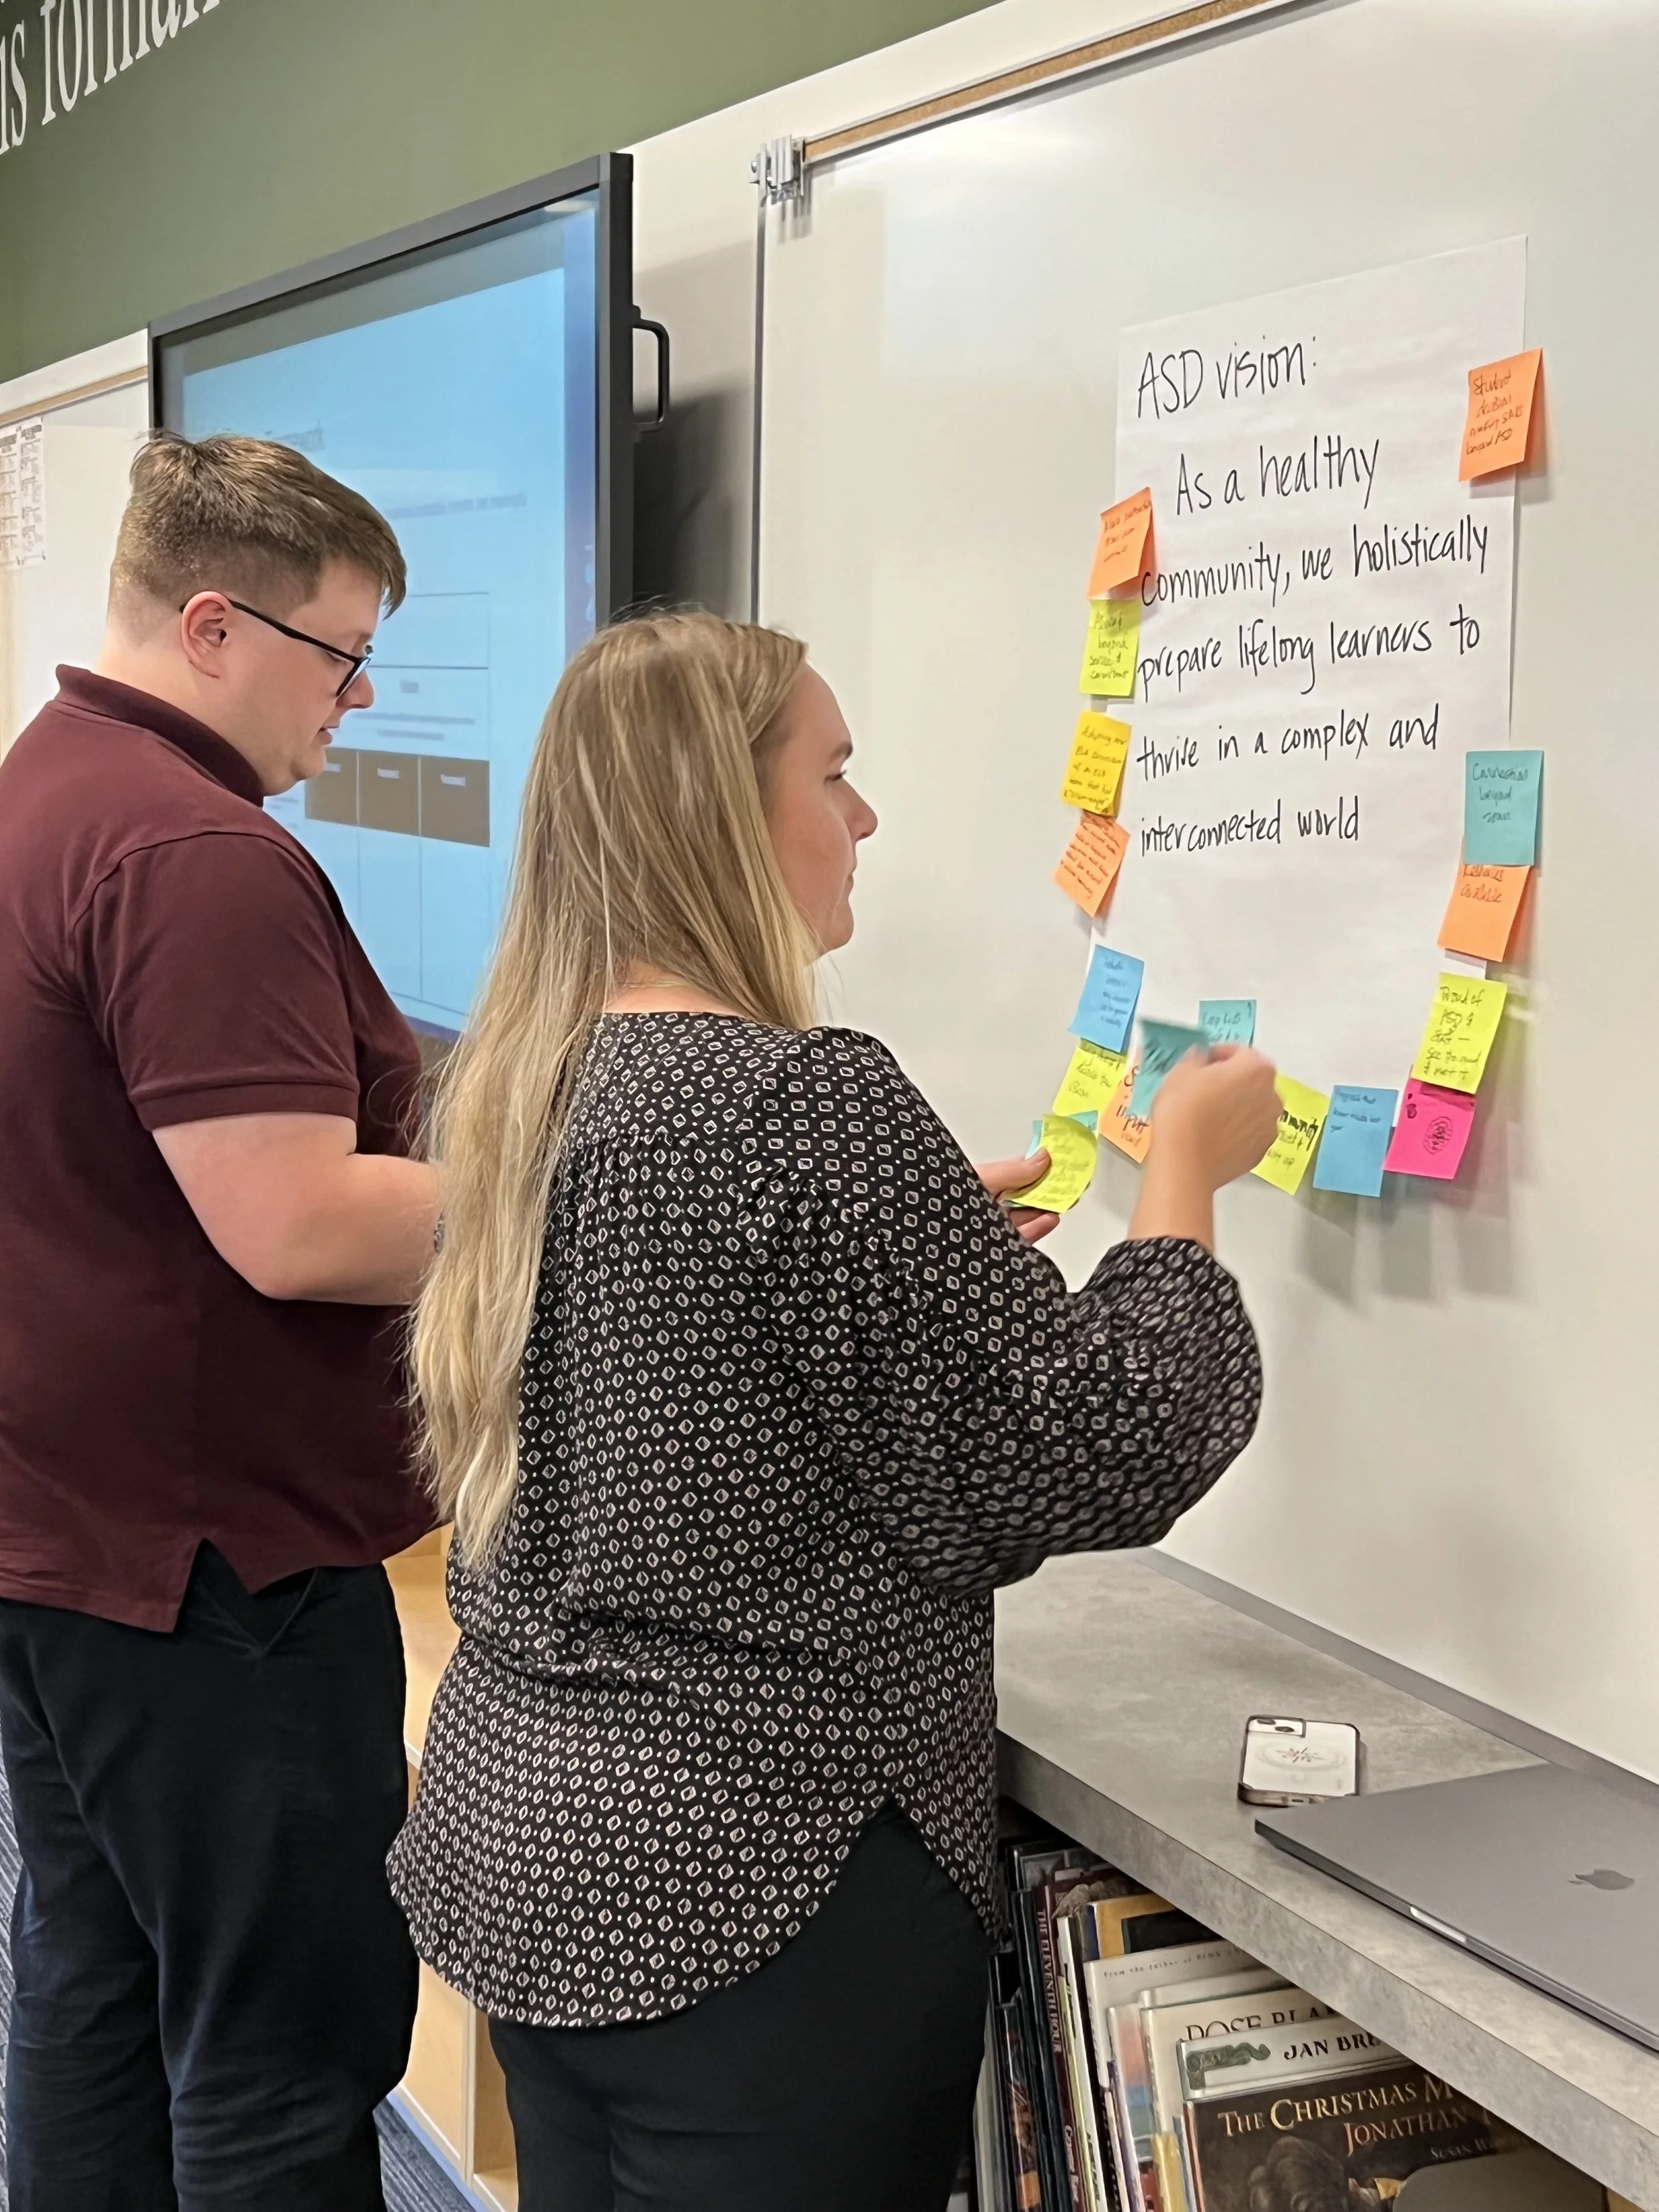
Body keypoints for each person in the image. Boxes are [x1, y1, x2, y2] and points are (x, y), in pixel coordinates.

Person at [392, 610, 1279, 2212]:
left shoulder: (530, 1078)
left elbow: (688, 1353)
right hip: (758, 1901)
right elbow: (1099, 1440)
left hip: (532, 1857)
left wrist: (922, 1246)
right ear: (721, 813)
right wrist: (1182, 1179)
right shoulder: (804, 1102)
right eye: (834, 772)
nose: (863, 816)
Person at [0, 433, 442, 2211]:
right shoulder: (197, 850)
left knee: (94, 1982)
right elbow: (298, 1223)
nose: (358, 697)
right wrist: (596, 1196)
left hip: (67, 1539)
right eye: (340, 655)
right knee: (280, 2048)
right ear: (210, 626)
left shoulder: (46, 782)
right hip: (213, 1573)